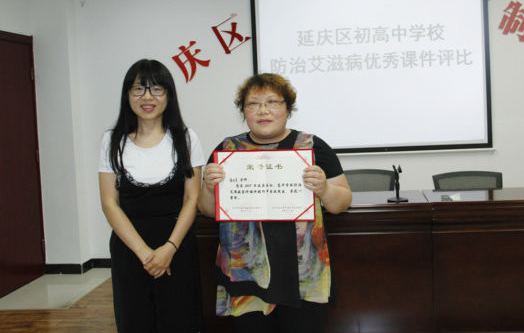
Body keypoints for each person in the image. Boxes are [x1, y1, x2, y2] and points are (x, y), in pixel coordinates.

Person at [198, 73, 352, 333]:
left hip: (303, 275)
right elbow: (207, 209)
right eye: (253, 104)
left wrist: (325, 189)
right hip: (247, 274)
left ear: (287, 108)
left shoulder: (313, 147)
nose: (263, 111)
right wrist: (208, 187)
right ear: (243, 111)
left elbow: (342, 202)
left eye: (272, 102)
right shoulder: (227, 149)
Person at [98, 59, 204, 333]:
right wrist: (145, 254)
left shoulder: (186, 138)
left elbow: (191, 199)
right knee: (135, 321)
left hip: (177, 246)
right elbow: (109, 204)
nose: (147, 97)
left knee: (180, 320)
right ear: (127, 95)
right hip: (130, 249)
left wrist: (169, 248)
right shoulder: (112, 141)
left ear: (169, 94)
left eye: (157, 89)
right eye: (138, 89)